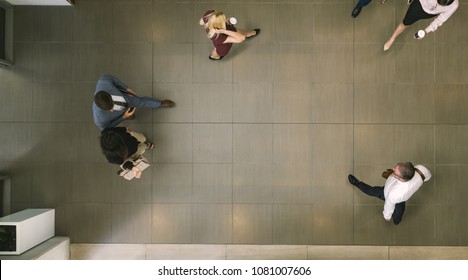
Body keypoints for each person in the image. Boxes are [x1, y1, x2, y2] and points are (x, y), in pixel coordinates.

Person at [347, 162, 431, 225]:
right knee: (398, 212)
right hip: (391, 191)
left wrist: (387, 216)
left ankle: (396, 221)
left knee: (371, 191)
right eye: (396, 167)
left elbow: (389, 205)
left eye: (395, 172)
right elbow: (427, 176)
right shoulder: (420, 170)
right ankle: (357, 183)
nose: (393, 169)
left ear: (401, 178)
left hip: (391, 197)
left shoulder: (395, 194)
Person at [93, 74, 175, 130]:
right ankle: (128, 116)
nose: (112, 110)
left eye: (112, 106)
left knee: (141, 101)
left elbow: (110, 78)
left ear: (110, 95)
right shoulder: (100, 119)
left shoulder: (104, 82)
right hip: (121, 115)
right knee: (127, 114)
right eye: (111, 110)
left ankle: (159, 103)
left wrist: (126, 88)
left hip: (126, 99)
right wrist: (123, 117)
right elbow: (107, 127)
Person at [384, 0, 459, 51]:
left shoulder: (454, 5)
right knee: (406, 22)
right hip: (419, 4)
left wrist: (426, 31)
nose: (437, 5)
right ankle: (392, 38)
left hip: (429, 13)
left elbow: (440, 19)